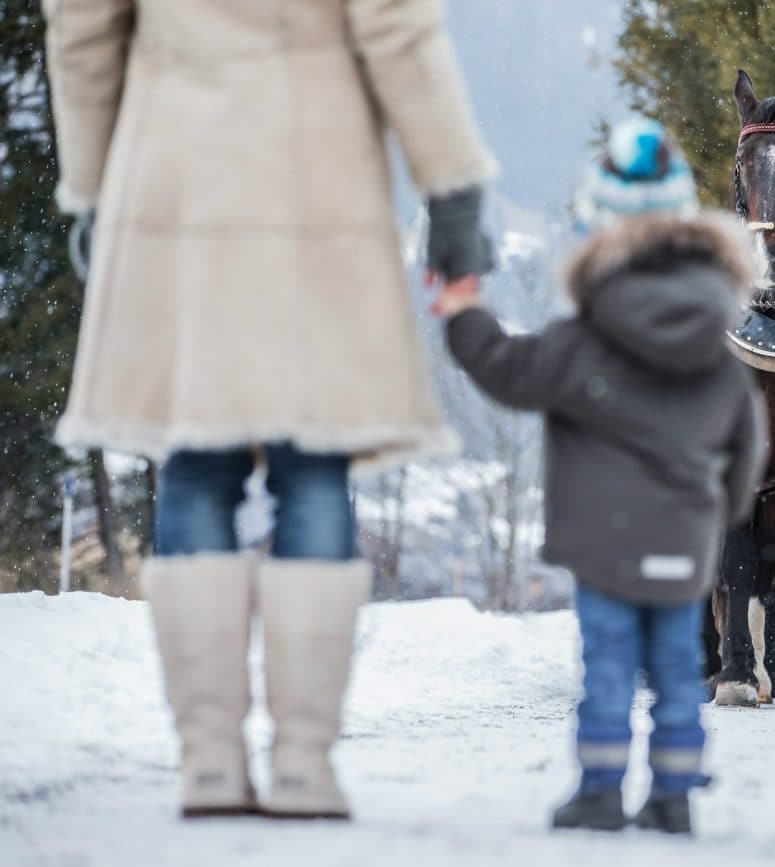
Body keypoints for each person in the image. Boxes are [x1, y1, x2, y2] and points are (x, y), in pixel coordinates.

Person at [43, 0, 495, 819]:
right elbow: (396, 29)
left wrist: (90, 188)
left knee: (197, 457)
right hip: (315, 177)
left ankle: (210, 761)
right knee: (313, 460)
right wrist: (452, 190)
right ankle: (302, 765)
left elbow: (82, 30)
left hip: (175, 177)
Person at [438, 117, 767, 834]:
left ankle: (599, 787)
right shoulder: (716, 350)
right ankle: (675, 794)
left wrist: (464, 313)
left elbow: (507, 369)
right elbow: (748, 446)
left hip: (603, 543)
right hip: (685, 540)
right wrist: (719, 513)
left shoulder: (584, 339)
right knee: (680, 667)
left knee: (610, 665)